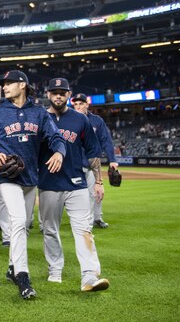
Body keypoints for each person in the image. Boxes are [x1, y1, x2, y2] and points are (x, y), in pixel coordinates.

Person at [0, 69, 66, 300]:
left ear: (22, 85)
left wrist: (59, 152)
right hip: (7, 177)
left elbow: (55, 137)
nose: (4, 87)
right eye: (3, 84)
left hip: (30, 178)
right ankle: (22, 276)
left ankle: (10, 268)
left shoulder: (39, 113)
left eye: (9, 83)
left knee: (23, 225)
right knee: (17, 222)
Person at [39, 78, 110, 292]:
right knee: (50, 230)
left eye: (62, 92)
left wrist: (98, 181)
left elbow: (93, 152)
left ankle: (89, 276)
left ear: (69, 94)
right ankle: (55, 269)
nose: (58, 95)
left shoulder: (80, 120)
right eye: (54, 92)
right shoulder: (41, 118)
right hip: (48, 183)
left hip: (77, 183)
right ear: (48, 94)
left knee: (84, 230)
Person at [71, 93, 117, 229]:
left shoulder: (97, 121)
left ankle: (95, 219)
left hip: (92, 163)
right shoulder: (69, 120)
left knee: (96, 192)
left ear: (87, 104)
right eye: (76, 104)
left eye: (81, 104)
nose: (78, 106)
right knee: (70, 194)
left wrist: (112, 160)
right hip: (74, 163)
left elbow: (106, 141)